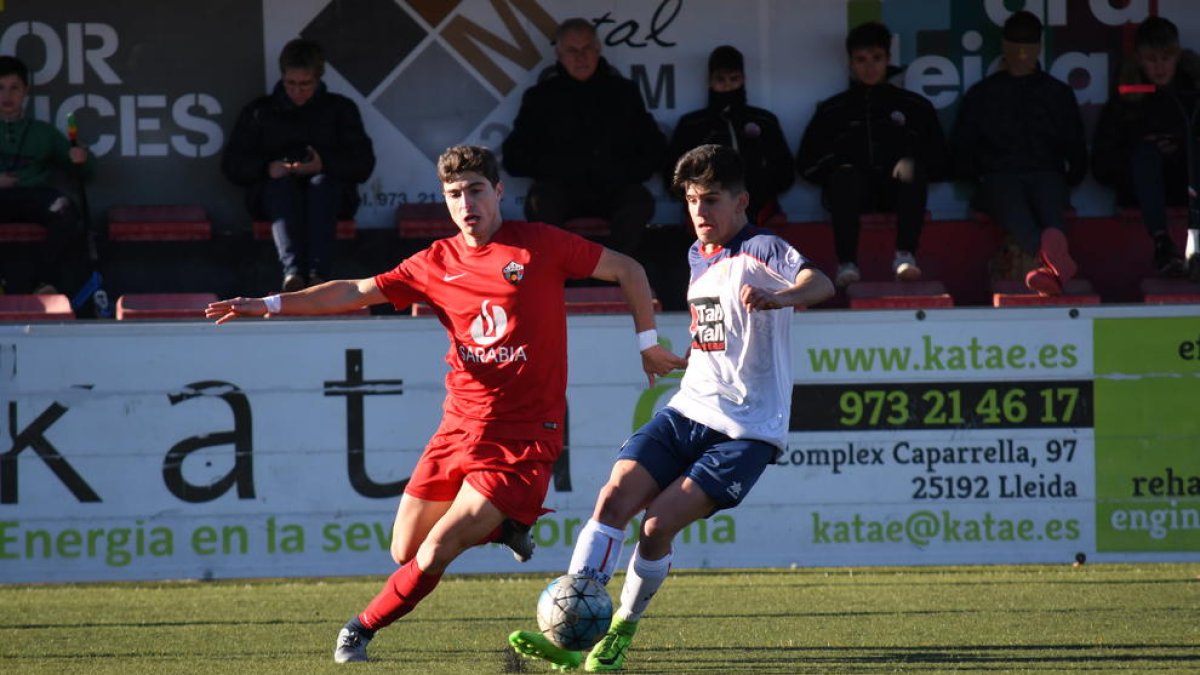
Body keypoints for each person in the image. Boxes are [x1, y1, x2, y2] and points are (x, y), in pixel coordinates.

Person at [205, 145, 687, 664]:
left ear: (498, 192)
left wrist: (647, 343)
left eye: (476, 190)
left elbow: (630, 269)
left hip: (523, 440)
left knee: (437, 549)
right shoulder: (435, 263)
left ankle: (359, 629)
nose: (466, 203)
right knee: (405, 551)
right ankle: (506, 527)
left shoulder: (539, 245)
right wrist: (267, 304)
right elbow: (353, 290)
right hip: (458, 428)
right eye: (455, 195)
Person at [507, 144, 834, 672]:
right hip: (689, 408)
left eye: (710, 199)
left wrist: (783, 298)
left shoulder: (765, 249)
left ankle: (619, 632)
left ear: (742, 201)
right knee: (613, 499)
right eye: (690, 201)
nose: (699, 212)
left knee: (656, 527)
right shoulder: (696, 255)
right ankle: (569, 632)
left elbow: (820, 282)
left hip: (747, 431)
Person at [796, 21, 948, 289]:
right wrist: (840, 167)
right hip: (851, 196)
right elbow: (806, 164)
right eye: (861, 59)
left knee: (910, 168)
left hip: (897, 195)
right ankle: (847, 263)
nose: (869, 67)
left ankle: (905, 255)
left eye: (877, 58)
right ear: (851, 63)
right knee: (845, 176)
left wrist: (908, 163)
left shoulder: (914, 107)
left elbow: (942, 161)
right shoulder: (834, 110)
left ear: (888, 59)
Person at [501, 18, 666, 257]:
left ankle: (616, 274)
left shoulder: (624, 93)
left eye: (587, 49)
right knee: (540, 201)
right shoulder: (540, 97)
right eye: (572, 50)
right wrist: (558, 167)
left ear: (598, 49)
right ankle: (557, 275)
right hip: (561, 190)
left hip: (614, 188)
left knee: (638, 200)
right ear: (559, 54)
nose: (581, 57)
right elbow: (513, 158)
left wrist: (625, 172)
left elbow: (655, 148)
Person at [950, 11, 1088, 296]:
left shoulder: (1057, 93)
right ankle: (1055, 264)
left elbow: (1076, 152)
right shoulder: (983, 95)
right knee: (1011, 195)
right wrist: (983, 174)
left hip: (1047, 175)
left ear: (1039, 46)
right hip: (1000, 179)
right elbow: (960, 152)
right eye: (1016, 43)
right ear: (1004, 45)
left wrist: (1067, 177)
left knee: (1049, 196)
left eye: (1029, 43)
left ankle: (1050, 271)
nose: (1022, 51)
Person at [222, 38, 375, 292]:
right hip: (273, 198)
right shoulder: (260, 111)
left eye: (305, 85)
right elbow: (232, 164)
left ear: (319, 79)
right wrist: (267, 168)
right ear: (282, 77)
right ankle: (293, 274)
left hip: (331, 197)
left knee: (321, 184)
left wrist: (322, 164)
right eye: (290, 84)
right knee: (281, 187)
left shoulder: (340, 110)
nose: (297, 92)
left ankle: (317, 276)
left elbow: (363, 163)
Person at [1092, 16, 1194, 279]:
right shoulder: (1126, 98)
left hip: (1187, 182)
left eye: (1166, 57)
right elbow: (1102, 166)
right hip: (1141, 188)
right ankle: (1162, 244)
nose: (1160, 67)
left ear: (1178, 56)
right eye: (1152, 59)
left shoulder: (1192, 93)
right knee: (1146, 155)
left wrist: (1180, 146)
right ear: (1139, 59)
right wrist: (1141, 150)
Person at [665, 45, 793, 226]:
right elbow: (672, 177)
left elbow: (785, 172)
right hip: (708, 203)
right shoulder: (692, 124)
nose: (727, 86)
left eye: (734, 79)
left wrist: (758, 188)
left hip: (757, 202)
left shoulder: (764, 121)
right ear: (710, 81)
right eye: (720, 79)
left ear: (743, 79)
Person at [0, 55, 94, 295]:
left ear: (25, 92)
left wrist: (81, 158)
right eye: (0, 88)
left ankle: (42, 282)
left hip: (33, 196)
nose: (6, 96)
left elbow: (83, 170)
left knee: (65, 209)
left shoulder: (43, 132)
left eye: (14, 88)